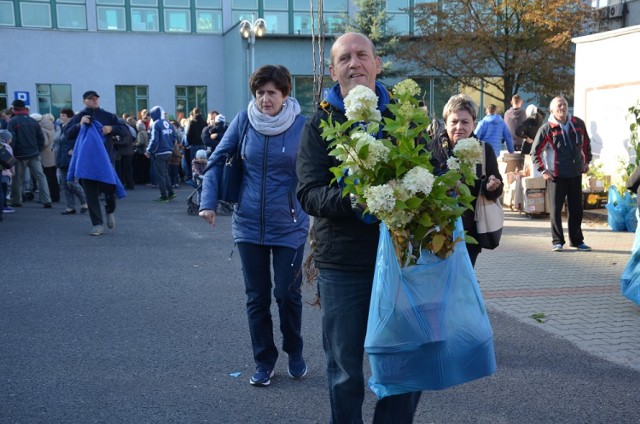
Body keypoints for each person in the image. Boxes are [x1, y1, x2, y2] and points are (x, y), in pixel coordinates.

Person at [295, 32, 422, 423]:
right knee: (346, 370)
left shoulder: (406, 117)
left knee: (405, 366)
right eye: (345, 58)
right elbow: (308, 193)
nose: (355, 63)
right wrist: (353, 200)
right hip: (344, 263)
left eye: (362, 55)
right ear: (333, 71)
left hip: (402, 259)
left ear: (377, 63)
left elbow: (428, 171)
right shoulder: (320, 124)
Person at [200, 64, 309, 388]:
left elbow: (319, 171)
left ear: (285, 94)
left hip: (289, 224)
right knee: (256, 297)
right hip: (248, 225)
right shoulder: (244, 120)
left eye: (271, 93)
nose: (264, 99)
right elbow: (217, 159)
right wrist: (208, 202)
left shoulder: (302, 126)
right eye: (260, 92)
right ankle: (264, 360)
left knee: (287, 294)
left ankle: (295, 350)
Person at [428, 94, 504, 267]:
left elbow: (496, 186)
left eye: (465, 122)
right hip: (437, 228)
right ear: (446, 123)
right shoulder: (433, 148)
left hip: (470, 231)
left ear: (474, 124)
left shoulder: (484, 150)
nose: (459, 127)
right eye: (454, 122)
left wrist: (493, 186)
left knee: (463, 280)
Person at [531, 96, 592, 252]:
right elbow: (535, 152)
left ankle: (577, 241)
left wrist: (586, 162)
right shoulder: (547, 128)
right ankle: (557, 241)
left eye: (564, 104)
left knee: (576, 210)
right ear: (552, 110)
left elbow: (586, 144)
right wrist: (543, 171)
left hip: (575, 173)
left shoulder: (578, 124)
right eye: (559, 106)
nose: (563, 108)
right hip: (556, 176)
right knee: (556, 210)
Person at [65, 90, 129, 236]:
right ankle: (97, 224)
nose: (94, 100)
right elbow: (67, 134)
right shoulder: (79, 116)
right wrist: (79, 125)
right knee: (91, 194)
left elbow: (125, 130)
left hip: (106, 160)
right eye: (91, 98)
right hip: (86, 163)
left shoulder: (107, 115)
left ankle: (109, 210)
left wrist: (111, 128)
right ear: (84, 101)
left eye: (96, 98)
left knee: (110, 189)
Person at [7, 99, 52, 208]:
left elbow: (12, 139)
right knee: (41, 177)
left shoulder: (13, 121)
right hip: (34, 154)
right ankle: (46, 200)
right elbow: (41, 139)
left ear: (14, 108)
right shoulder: (33, 121)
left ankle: (16, 200)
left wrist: (11, 153)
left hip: (19, 155)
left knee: (17, 179)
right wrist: (37, 148)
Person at [55, 108, 88, 215]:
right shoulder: (61, 127)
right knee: (64, 183)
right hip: (62, 158)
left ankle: (85, 202)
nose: (61, 117)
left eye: (63, 115)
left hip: (72, 158)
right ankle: (70, 207)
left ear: (69, 116)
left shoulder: (75, 127)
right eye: (60, 115)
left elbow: (81, 139)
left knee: (72, 182)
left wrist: (74, 149)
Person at [145, 105, 176, 202]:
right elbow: (174, 138)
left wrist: (149, 151)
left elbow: (154, 140)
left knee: (160, 175)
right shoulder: (169, 123)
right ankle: (170, 192)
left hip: (160, 153)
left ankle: (164, 196)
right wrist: (170, 147)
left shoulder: (156, 124)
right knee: (165, 173)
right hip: (169, 152)